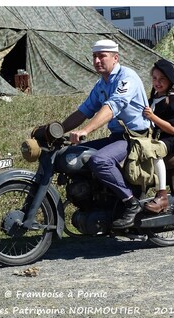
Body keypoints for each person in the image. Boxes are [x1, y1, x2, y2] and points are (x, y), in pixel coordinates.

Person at [61, 39, 150, 229]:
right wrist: (57, 130)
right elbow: (84, 111)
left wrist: (85, 130)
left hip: (136, 137)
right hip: (118, 137)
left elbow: (113, 106)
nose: (97, 61)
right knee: (73, 153)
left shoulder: (127, 78)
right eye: (94, 56)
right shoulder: (102, 83)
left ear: (115, 58)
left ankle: (131, 203)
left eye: (102, 56)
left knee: (100, 160)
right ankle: (96, 200)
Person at [142, 59, 174, 213]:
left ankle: (162, 195)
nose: (157, 82)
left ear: (169, 80)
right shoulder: (152, 99)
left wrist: (152, 117)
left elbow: (173, 129)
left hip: (171, 140)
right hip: (156, 138)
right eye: (154, 78)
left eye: (162, 79)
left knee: (154, 153)